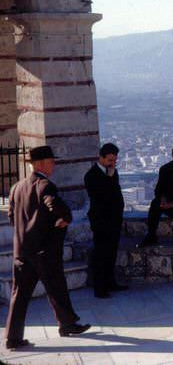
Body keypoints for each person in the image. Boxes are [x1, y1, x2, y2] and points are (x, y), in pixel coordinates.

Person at [5, 146, 90, 350]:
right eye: (52, 161)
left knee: (20, 295)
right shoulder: (46, 186)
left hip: (22, 252)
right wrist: (64, 219)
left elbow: (11, 217)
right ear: (42, 163)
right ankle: (67, 325)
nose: (54, 164)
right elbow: (55, 206)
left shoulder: (16, 187)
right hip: (44, 251)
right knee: (56, 287)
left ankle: (13, 338)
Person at [84, 143, 128, 298]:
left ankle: (111, 283)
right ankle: (100, 288)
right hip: (101, 221)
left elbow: (116, 193)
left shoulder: (112, 172)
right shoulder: (91, 175)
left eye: (115, 160)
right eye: (110, 160)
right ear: (101, 158)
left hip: (114, 219)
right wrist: (109, 179)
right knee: (101, 253)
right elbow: (101, 196)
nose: (113, 163)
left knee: (112, 252)